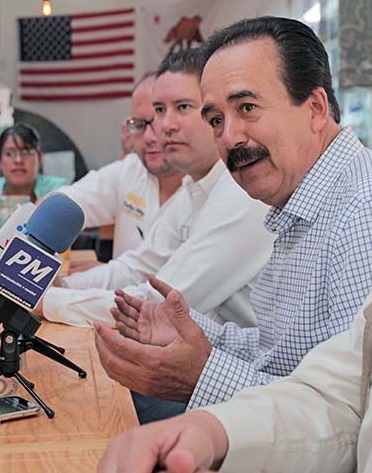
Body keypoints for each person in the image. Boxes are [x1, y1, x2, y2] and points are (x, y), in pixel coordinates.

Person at [94, 16, 372, 419]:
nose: (229, 137)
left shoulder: (369, 211)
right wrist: (194, 334)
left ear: (316, 108)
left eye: (247, 108)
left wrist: (201, 375)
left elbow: (358, 417)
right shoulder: (299, 205)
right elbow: (283, 355)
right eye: (216, 120)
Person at [40, 49, 272, 335]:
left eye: (183, 107)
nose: (165, 126)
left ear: (216, 113)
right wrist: (61, 286)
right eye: (160, 110)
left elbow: (161, 305)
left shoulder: (241, 190)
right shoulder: (194, 187)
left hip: (254, 372)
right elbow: (139, 268)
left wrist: (46, 300)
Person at [96, 269, 372, 473]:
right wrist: (213, 430)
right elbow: (341, 399)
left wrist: (203, 377)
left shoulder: (367, 205)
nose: (232, 178)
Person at [58, 72, 183, 270]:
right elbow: (65, 202)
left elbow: (169, 291)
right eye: (139, 125)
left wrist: (105, 280)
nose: (150, 137)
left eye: (158, 120)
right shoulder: (132, 169)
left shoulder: (206, 187)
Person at [0, 123, 67, 226]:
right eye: (9, 153)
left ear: (40, 158)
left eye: (26, 152)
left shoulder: (56, 189)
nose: (18, 160)